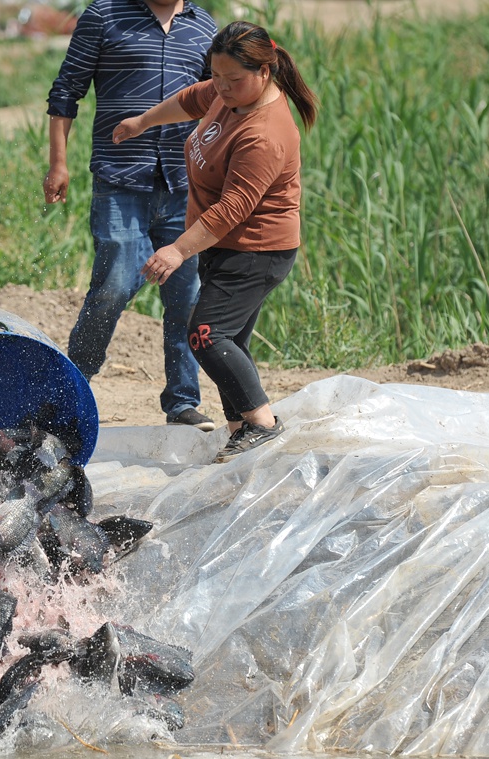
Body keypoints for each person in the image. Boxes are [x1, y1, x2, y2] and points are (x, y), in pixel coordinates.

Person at [112, 20, 318, 462]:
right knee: (230, 340)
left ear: (265, 72)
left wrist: (176, 249)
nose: (221, 87)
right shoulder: (229, 96)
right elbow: (193, 98)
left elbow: (233, 208)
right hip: (226, 246)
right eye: (217, 75)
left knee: (206, 335)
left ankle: (262, 423)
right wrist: (144, 121)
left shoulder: (265, 133)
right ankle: (240, 430)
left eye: (233, 80)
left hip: (256, 250)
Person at [43, 0, 218, 432]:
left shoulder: (204, 26)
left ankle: (182, 404)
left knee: (187, 297)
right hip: (121, 179)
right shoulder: (105, 16)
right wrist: (58, 163)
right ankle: (72, 387)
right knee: (115, 284)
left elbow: (217, 100)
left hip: (183, 184)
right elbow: (67, 90)